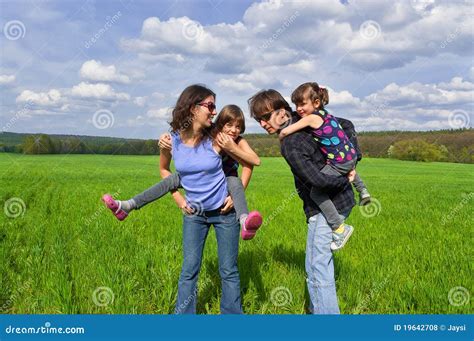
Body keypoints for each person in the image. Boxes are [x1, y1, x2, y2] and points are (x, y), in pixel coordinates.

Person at [248, 89, 356, 314]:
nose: (262, 123)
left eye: (266, 117)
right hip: (337, 203)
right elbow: (346, 125)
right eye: (258, 120)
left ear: (282, 111)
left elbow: (317, 180)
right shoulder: (306, 119)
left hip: (324, 209)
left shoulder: (290, 143)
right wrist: (351, 160)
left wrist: (346, 174)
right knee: (316, 262)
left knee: (318, 267)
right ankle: (315, 310)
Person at [102, 104, 263, 240]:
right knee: (171, 180)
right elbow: (186, 135)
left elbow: (255, 161)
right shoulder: (212, 136)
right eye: (229, 125)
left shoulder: (239, 141)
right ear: (220, 124)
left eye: (238, 127)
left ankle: (244, 221)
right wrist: (166, 138)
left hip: (225, 183)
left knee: (234, 181)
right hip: (200, 178)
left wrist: (232, 148)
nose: (234, 130)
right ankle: (127, 205)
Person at [278, 82, 371, 250]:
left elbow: (286, 131)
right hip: (349, 155)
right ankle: (363, 190)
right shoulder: (327, 115)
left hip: (339, 162)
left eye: (302, 104)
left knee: (316, 192)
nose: (298, 108)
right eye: (296, 105)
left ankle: (339, 228)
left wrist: (282, 136)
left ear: (316, 103)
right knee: (347, 169)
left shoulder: (311, 118)